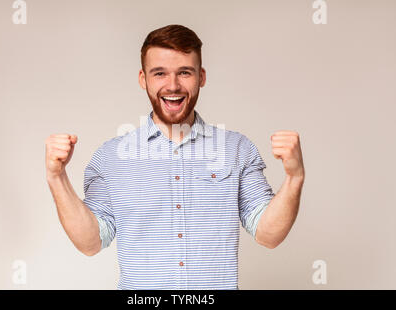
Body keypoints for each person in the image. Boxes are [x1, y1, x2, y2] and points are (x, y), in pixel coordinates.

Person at [45, 24, 305, 290]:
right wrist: (57, 177)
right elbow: (91, 243)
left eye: (184, 72)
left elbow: (268, 235)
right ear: (143, 79)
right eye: (159, 73)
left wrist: (294, 178)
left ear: (201, 77)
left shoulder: (237, 149)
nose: (173, 85)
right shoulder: (111, 157)